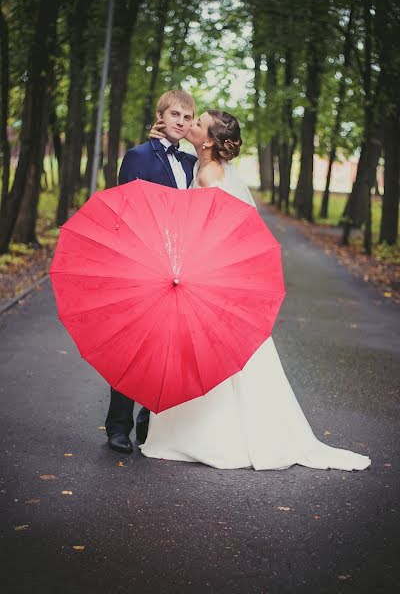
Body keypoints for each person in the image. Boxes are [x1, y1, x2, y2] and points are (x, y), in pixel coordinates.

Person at [140, 109, 372, 471]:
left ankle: (213, 437)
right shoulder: (201, 166)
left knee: (210, 356)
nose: (191, 126)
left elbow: (213, 233)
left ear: (211, 141)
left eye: (198, 123)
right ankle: (192, 434)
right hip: (200, 273)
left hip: (206, 276)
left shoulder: (212, 175)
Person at [105, 90, 197, 454]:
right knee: (133, 347)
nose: (181, 121)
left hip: (178, 266)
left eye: (187, 117)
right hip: (142, 263)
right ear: (160, 116)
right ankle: (118, 425)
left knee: (165, 349)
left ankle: (148, 425)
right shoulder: (138, 156)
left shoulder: (190, 162)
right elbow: (123, 212)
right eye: (175, 114)